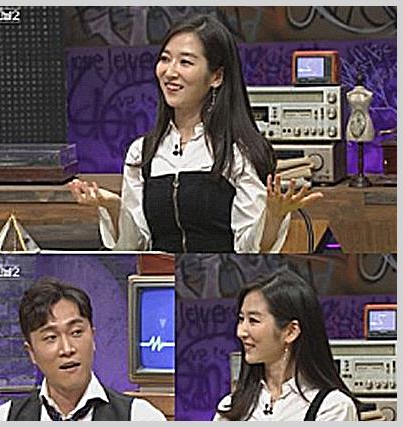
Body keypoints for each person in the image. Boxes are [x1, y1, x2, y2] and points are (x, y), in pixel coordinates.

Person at [68, 14, 323, 253]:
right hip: (163, 276)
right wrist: (113, 206)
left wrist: (274, 216)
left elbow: (251, 249)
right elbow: (136, 246)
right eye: (165, 59)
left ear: (216, 76)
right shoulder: (142, 152)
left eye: (186, 62)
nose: (170, 72)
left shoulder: (237, 151)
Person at [0, 277, 167, 421]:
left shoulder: (140, 417)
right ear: (31, 352)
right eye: (51, 337)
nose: (67, 349)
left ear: (93, 337)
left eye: (76, 332)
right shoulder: (4, 418)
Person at [213, 269, 360, 421]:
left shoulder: (333, 407)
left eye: (253, 321)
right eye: (241, 319)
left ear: (291, 332)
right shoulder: (231, 407)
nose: (241, 332)